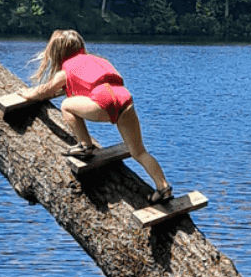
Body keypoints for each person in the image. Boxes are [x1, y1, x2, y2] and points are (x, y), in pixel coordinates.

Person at [21, 29, 173, 203]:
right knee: (138, 152)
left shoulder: (66, 70)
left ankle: (85, 145)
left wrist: (27, 93)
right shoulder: (99, 60)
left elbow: (44, 92)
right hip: (124, 99)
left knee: (66, 106)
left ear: (58, 52)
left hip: (104, 102)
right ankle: (163, 187)